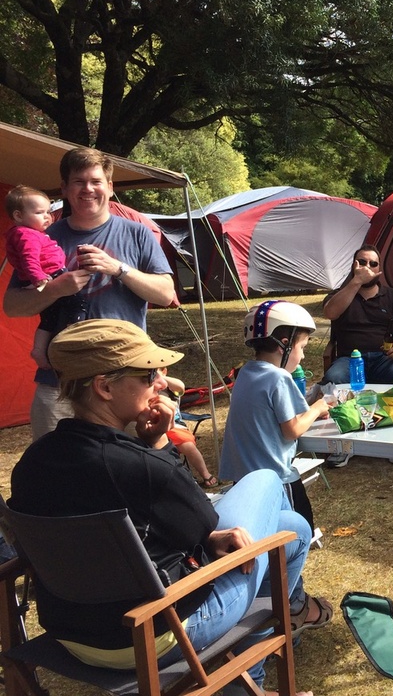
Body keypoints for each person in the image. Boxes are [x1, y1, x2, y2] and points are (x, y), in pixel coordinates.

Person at [8, 319, 321, 696]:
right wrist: (158, 445)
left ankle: (247, 683)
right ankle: (247, 684)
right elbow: (207, 525)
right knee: (268, 481)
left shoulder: (32, 462)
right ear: (104, 387)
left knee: (293, 526)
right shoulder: (137, 466)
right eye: (148, 375)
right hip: (155, 632)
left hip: (72, 634)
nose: (162, 383)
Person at [3, 147, 176, 440]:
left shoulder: (137, 233)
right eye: (79, 182)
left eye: (96, 181)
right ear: (64, 189)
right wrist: (56, 289)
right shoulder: (40, 236)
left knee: (134, 463)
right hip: (60, 384)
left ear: (110, 187)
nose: (88, 189)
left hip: (127, 381)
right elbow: (12, 306)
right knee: (58, 465)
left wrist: (118, 268)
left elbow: (165, 294)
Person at [218, 300, 334, 638]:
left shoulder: (247, 373)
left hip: (245, 480)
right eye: (302, 347)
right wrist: (319, 407)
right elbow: (293, 428)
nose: (302, 356)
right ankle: (293, 608)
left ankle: (284, 605)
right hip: (275, 480)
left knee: (266, 545)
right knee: (295, 537)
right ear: (284, 344)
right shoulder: (278, 377)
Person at [4, 185, 87, 368]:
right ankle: (74, 340)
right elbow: (29, 259)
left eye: (48, 212)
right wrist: (38, 278)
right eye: (39, 212)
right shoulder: (27, 235)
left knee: (50, 317)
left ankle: (39, 349)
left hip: (44, 275)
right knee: (78, 304)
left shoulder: (28, 233)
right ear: (18, 216)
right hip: (50, 274)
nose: (47, 217)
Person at [321, 244, 393, 386]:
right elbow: (330, 313)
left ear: (379, 269)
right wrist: (357, 281)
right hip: (349, 359)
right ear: (353, 266)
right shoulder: (339, 295)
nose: (367, 267)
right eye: (362, 262)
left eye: (373, 264)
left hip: (384, 358)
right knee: (333, 379)